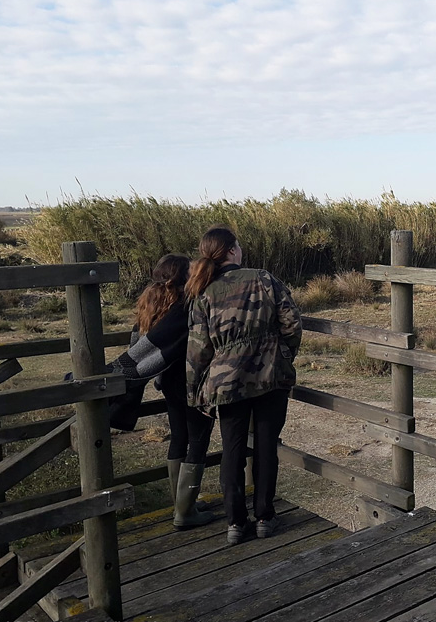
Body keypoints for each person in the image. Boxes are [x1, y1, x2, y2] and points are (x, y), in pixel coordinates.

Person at [185, 226, 302, 545]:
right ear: (233, 251)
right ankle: (265, 518)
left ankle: (235, 523)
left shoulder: (204, 292)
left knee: (232, 450)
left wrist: (195, 391)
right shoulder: (264, 278)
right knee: (266, 446)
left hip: (226, 382)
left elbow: (198, 348)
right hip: (270, 376)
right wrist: (283, 354)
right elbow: (291, 323)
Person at [109, 253, 215, 529]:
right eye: (189, 271)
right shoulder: (184, 306)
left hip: (167, 382)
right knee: (199, 439)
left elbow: (141, 342)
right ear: (180, 276)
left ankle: (181, 503)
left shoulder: (149, 301)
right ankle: (185, 512)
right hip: (190, 381)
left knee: (179, 437)